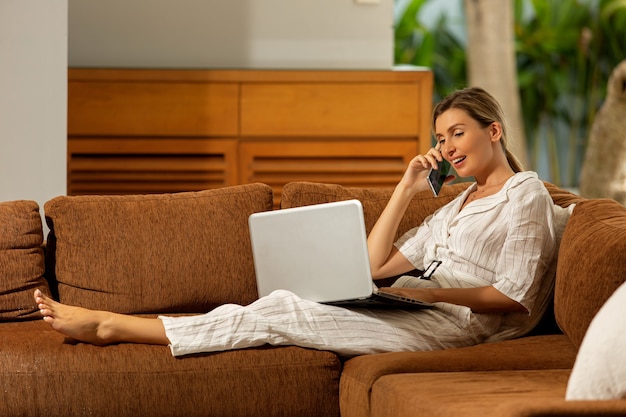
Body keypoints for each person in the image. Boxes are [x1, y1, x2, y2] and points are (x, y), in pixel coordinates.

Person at [34, 87, 558, 357]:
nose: (446, 147)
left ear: (493, 131)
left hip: (454, 325)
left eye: (457, 134)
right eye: (440, 138)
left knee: (282, 311)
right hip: (413, 305)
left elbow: (516, 295)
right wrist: (404, 189)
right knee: (292, 300)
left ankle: (112, 326)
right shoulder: (454, 206)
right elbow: (374, 266)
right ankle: (118, 325)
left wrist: (432, 298)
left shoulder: (525, 194)